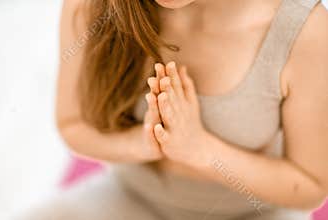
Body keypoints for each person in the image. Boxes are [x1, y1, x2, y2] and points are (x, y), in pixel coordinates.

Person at [18, 0, 328, 219]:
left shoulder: (303, 29)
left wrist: (202, 151)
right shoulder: (92, 7)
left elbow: (311, 187)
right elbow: (73, 125)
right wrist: (143, 143)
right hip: (131, 198)